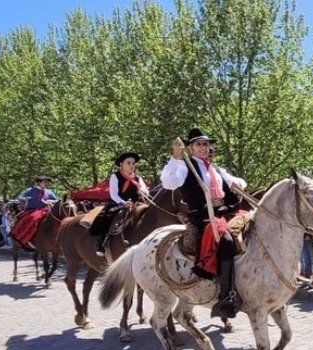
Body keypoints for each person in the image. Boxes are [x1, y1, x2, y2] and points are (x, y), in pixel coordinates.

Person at [160, 129, 246, 319]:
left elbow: (237, 182)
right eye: (199, 144)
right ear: (190, 148)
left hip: (225, 212)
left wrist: (238, 184)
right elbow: (169, 183)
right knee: (227, 241)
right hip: (204, 217)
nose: (203, 147)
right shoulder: (184, 166)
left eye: (206, 144)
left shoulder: (215, 168)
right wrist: (175, 157)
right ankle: (226, 296)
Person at [90, 152, 150, 256]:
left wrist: (143, 192)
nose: (131, 165)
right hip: (119, 203)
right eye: (128, 163)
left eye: (133, 163)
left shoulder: (137, 178)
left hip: (137, 204)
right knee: (105, 216)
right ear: (121, 164)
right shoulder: (115, 176)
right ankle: (100, 243)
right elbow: (113, 194)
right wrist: (123, 202)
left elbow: (145, 191)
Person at [10, 175, 59, 248]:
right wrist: (25, 199)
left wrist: (50, 200)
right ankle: (25, 237)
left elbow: (57, 200)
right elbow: (20, 197)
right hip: (33, 210)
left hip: (46, 210)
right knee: (33, 218)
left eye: (47, 182)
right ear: (38, 183)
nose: (46, 184)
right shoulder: (30, 190)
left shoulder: (49, 192)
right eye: (44, 182)